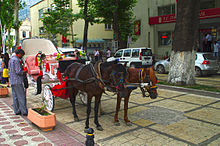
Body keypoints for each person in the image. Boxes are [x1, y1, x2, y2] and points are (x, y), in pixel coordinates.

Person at [8, 49, 28, 116]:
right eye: (22, 55)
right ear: (19, 54)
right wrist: (24, 72)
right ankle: (24, 111)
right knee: (21, 96)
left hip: (12, 80)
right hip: (18, 81)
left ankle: (17, 110)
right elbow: (18, 71)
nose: (22, 56)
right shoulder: (16, 60)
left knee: (15, 96)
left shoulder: (11, 59)